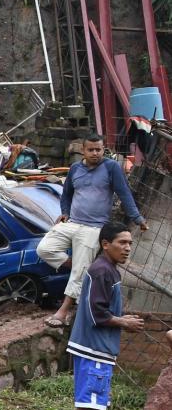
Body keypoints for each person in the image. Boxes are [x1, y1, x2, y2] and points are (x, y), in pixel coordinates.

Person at [37, 134, 147, 328]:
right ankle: (81, 266)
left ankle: (63, 311)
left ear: (103, 149)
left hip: (94, 227)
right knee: (44, 249)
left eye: (99, 149)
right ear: (83, 150)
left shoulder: (111, 167)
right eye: (91, 150)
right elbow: (67, 195)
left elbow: (124, 193)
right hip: (73, 222)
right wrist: (64, 213)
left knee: (80, 269)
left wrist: (137, 219)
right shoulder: (75, 169)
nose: (95, 153)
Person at [60, 222, 144, 410]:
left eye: (130, 243)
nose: (127, 248)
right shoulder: (102, 271)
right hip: (93, 346)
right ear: (105, 244)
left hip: (98, 346)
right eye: (122, 242)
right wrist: (123, 321)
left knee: (94, 402)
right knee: (89, 402)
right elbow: (97, 312)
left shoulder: (109, 270)